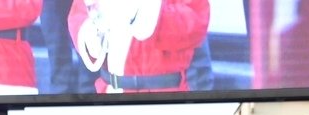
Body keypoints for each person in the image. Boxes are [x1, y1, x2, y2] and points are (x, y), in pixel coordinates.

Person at [69, 0, 210, 93]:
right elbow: (79, 13)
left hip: (164, 98)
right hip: (110, 92)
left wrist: (139, 12)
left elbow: (195, 22)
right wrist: (92, 33)